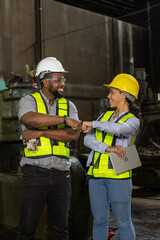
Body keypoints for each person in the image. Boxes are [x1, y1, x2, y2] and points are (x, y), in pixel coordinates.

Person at [17, 57, 82, 240]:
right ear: (45, 82)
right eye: (58, 80)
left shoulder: (69, 106)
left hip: (62, 175)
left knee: (60, 231)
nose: (62, 84)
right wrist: (64, 120)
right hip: (35, 173)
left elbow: (73, 135)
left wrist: (41, 133)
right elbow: (30, 119)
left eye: (63, 80)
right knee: (26, 230)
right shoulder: (28, 100)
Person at [82, 73, 141, 240]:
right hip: (96, 176)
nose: (108, 96)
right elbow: (87, 139)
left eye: (112, 92)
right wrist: (108, 148)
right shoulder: (104, 116)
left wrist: (92, 123)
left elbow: (117, 129)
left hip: (119, 177)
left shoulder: (133, 121)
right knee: (99, 221)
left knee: (123, 223)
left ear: (123, 94)